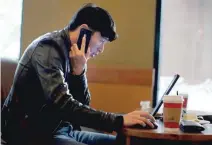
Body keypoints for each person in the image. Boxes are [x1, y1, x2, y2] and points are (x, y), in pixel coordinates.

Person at [1, 3, 155, 145]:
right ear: (84, 31)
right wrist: (118, 121)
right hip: (31, 135)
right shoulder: (48, 49)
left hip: (61, 131)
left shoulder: (74, 56)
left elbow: (82, 104)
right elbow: (63, 104)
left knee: (122, 142)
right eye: (101, 40)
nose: (101, 49)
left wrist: (79, 72)